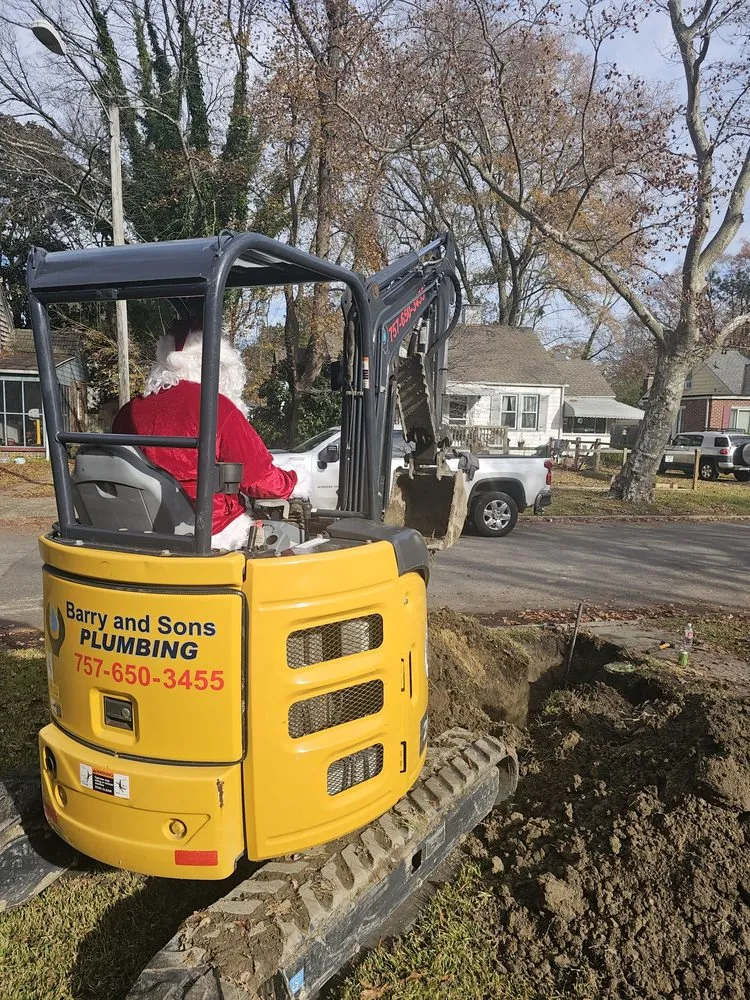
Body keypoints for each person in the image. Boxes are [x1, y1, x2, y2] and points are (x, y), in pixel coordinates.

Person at [113, 314, 298, 550]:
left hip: (135, 526)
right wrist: (293, 481)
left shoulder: (129, 412)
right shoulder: (217, 408)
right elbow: (260, 480)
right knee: (291, 537)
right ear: (215, 366)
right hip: (209, 530)